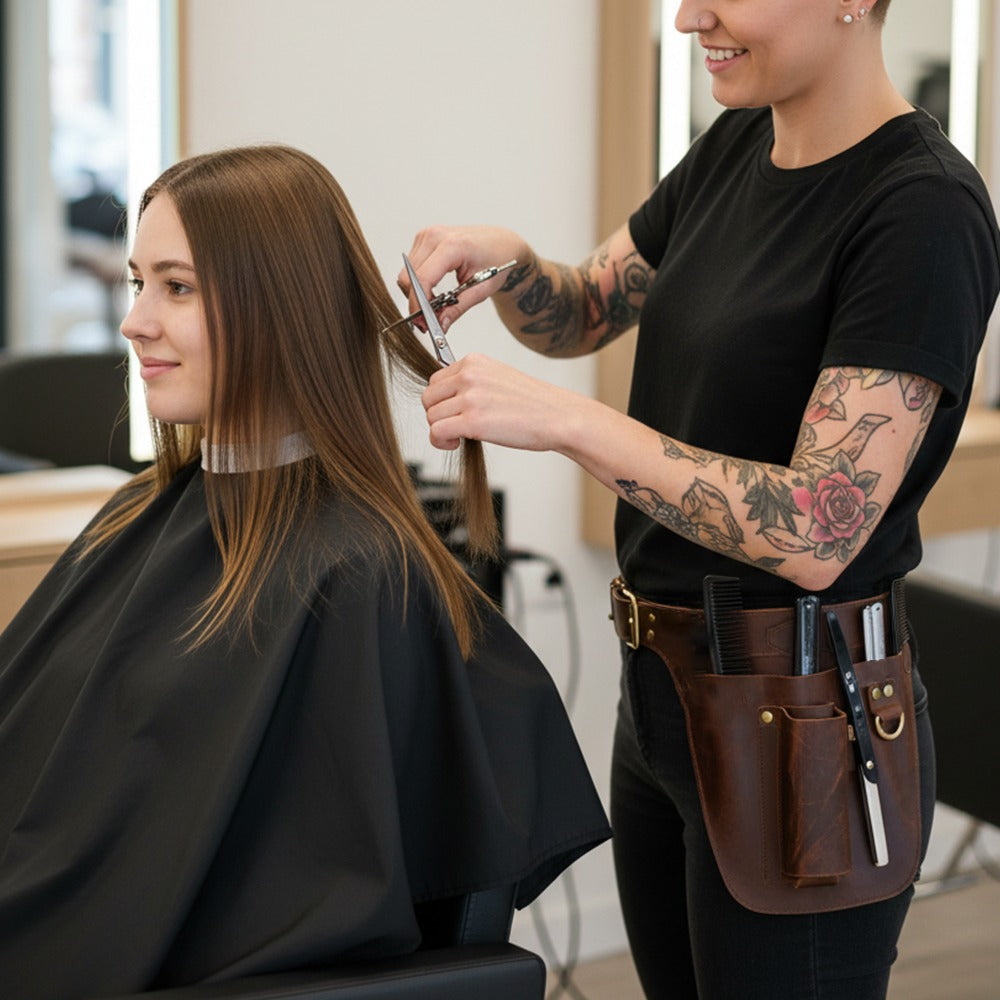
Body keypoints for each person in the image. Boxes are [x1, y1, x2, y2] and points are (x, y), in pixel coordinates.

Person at [398, 2, 1000, 998]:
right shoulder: (736, 141)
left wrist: (569, 425)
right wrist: (506, 264)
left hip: (798, 717)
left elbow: (819, 525)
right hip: (663, 695)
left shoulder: (921, 211)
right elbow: (588, 305)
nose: (688, 16)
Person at [0, 144, 611, 997]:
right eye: (138, 282)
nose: (135, 320)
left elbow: (289, 893)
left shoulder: (356, 574)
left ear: (278, 308)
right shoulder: (136, 513)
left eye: (176, 287)